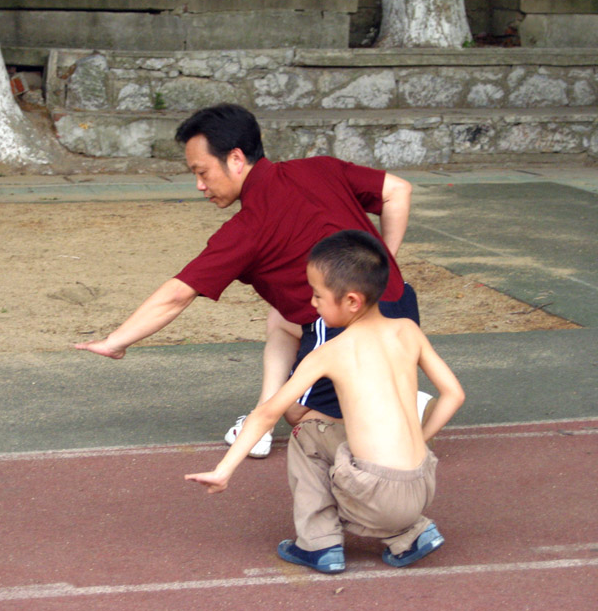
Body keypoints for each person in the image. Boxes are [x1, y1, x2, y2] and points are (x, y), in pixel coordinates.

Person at [76, 103, 430, 457]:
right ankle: (262, 424)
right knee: (280, 316)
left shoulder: (248, 228)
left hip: (349, 330)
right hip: (400, 310)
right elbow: (398, 190)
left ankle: (395, 406)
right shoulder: (320, 167)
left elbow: (177, 295)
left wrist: (116, 341)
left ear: (235, 159)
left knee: (299, 414)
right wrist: (379, 265)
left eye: (202, 172)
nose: (200, 186)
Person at [186, 230, 465, 573]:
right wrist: (420, 441)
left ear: (351, 301)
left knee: (308, 432)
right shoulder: (408, 329)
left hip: (375, 500)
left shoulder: (329, 352)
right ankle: (412, 532)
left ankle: (319, 544)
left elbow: (267, 413)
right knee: (341, 429)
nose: (312, 303)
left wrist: (223, 470)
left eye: (317, 295)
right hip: (423, 484)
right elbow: (454, 395)